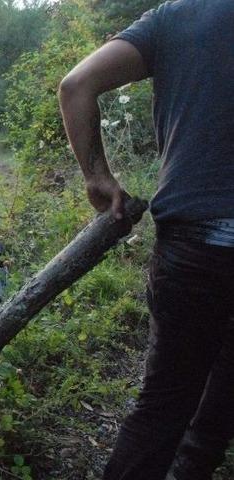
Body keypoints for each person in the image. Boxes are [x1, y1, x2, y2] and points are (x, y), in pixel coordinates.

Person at [58, 1, 234, 478]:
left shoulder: (179, 16)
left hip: (194, 246)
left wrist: (97, 176)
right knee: (219, 414)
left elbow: (76, 86)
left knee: (162, 406)